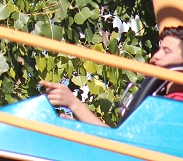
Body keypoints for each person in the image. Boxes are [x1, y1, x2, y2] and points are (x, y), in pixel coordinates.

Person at [40, 25, 183, 127]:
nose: (155, 57)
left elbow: (126, 147)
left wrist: (73, 103)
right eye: (159, 50)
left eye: (167, 51)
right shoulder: (164, 98)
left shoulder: (177, 103)